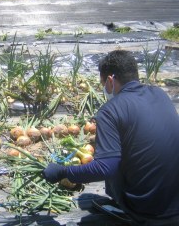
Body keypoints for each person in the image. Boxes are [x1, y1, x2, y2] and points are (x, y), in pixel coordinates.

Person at [42, 50, 179, 225]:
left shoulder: (110, 111)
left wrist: (63, 172)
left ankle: (129, 209)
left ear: (110, 81)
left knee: (110, 157)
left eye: (102, 84)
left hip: (149, 212)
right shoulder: (159, 94)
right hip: (176, 201)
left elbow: (106, 168)